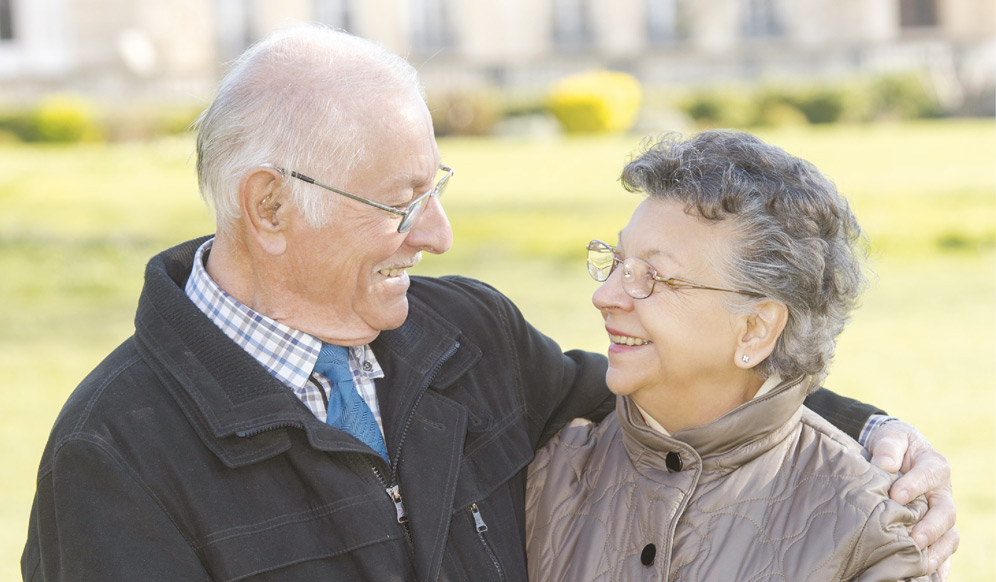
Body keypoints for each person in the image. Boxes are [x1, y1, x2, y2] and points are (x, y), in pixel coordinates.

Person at [21, 24, 954, 581]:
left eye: (437, 186)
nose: (438, 234)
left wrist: (867, 432)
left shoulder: (466, 333)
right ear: (269, 206)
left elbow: (669, 396)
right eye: (400, 201)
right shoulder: (113, 455)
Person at [525, 130, 955, 581]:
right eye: (616, 261)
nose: (605, 296)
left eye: (652, 276)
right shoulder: (546, 469)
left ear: (755, 329)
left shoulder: (870, 529)